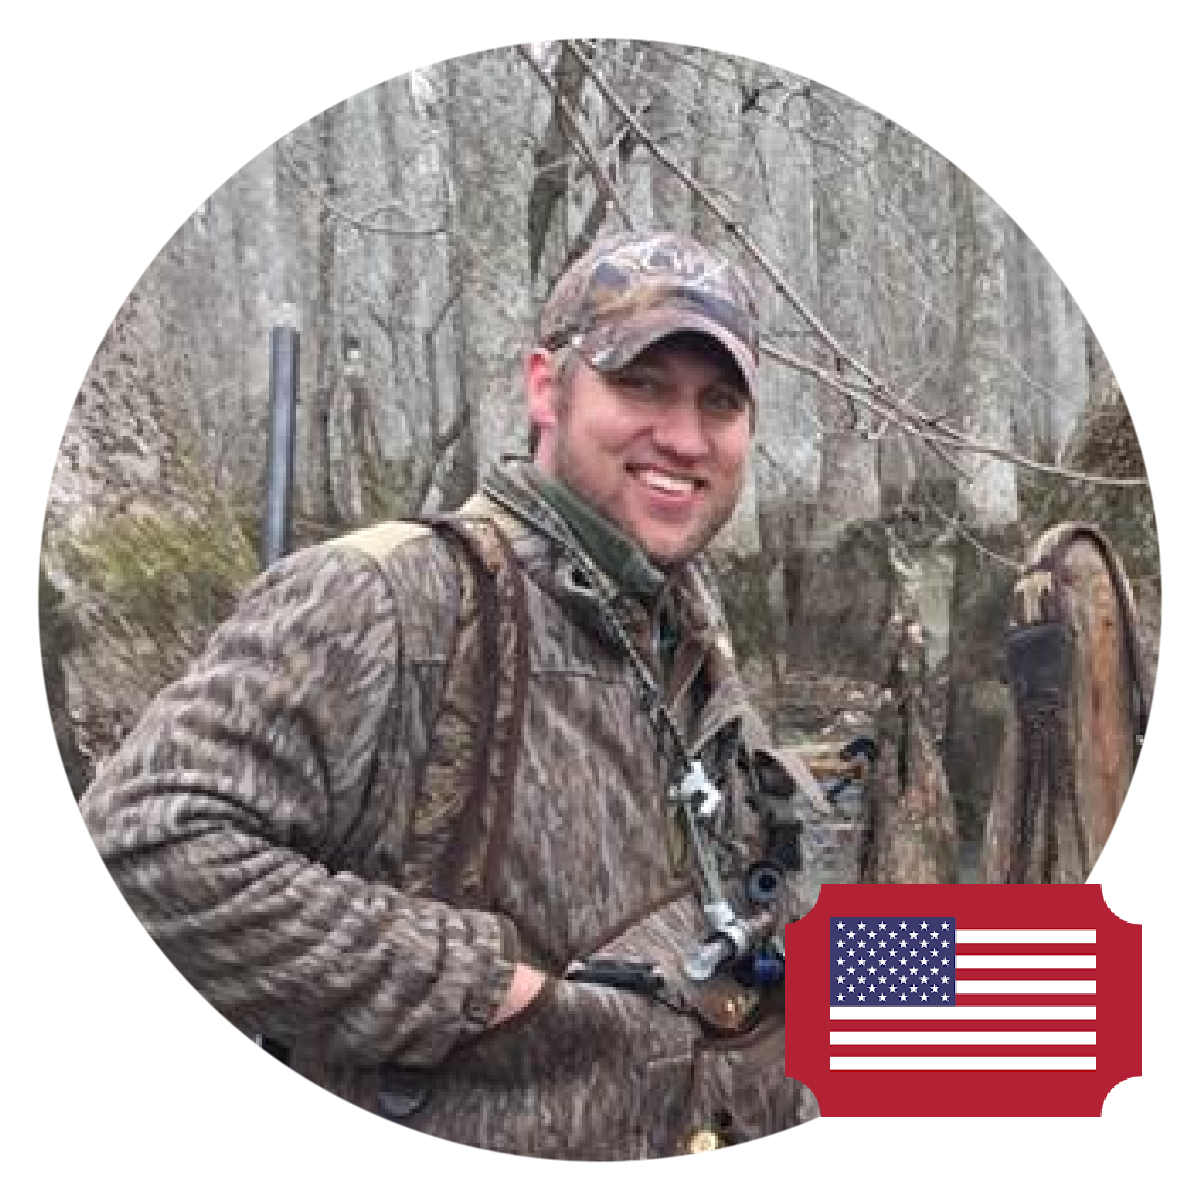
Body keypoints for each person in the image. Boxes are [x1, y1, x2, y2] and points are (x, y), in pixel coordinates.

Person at [80, 230, 825, 1162]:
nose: (684, 435)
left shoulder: (681, 624)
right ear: (547, 390)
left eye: (721, 402)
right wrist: (477, 991)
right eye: (642, 386)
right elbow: (140, 838)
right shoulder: (389, 598)